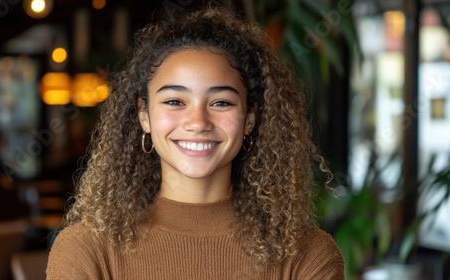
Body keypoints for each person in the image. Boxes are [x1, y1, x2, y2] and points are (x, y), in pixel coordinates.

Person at [47, 6, 344, 279]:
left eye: (221, 102)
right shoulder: (87, 250)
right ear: (144, 115)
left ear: (249, 119)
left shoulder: (307, 255)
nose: (198, 122)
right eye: (175, 101)